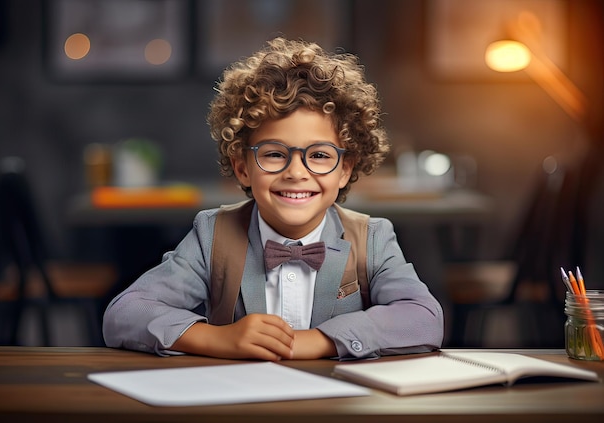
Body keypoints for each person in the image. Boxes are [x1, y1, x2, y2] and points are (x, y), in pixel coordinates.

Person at [103, 37, 444, 360]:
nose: (296, 172)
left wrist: (322, 340)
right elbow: (124, 314)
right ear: (242, 167)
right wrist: (219, 338)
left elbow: (423, 319)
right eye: (274, 154)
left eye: (321, 156)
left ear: (345, 169)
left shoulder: (372, 239)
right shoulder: (213, 236)